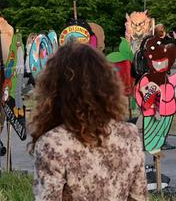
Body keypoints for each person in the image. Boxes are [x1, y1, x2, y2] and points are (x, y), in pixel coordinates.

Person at [30, 43, 147, 200]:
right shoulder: (130, 134)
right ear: (108, 85)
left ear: (54, 89)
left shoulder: (52, 144)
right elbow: (139, 197)